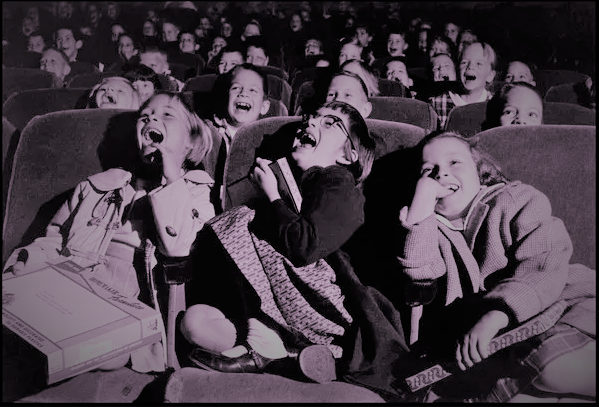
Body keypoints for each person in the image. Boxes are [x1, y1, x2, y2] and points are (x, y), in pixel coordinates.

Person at [181, 100, 407, 389]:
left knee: (242, 220)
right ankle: (285, 349)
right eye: (311, 117)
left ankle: (274, 341)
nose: (310, 122)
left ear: (348, 154)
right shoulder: (311, 183)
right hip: (302, 299)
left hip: (333, 306)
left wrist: (273, 196)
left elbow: (304, 247)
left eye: (330, 123)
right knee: (197, 318)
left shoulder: (339, 181)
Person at [3, 91, 216, 373]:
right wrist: (28, 261)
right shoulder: (97, 186)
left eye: (167, 115)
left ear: (191, 141)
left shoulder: (196, 193)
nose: (152, 119)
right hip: (75, 279)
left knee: (107, 348)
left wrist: (173, 176)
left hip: (132, 298)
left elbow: (178, 247)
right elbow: (54, 240)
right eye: (145, 116)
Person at [396, 131, 595, 402]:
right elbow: (419, 275)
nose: (440, 174)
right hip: (504, 343)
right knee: (505, 393)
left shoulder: (515, 199)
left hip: (562, 307)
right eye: (428, 170)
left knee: (555, 369)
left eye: (454, 162)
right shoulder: (431, 230)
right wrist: (422, 204)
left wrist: (498, 314)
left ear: (481, 172)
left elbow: (544, 262)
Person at [429, 41, 496, 128]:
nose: (470, 66)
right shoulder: (437, 103)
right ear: (457, 70)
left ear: (490, 75)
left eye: (478, 64)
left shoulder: (495, 105)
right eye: (464, 62)